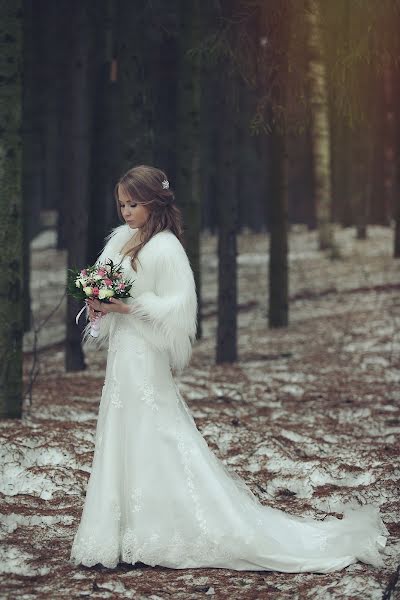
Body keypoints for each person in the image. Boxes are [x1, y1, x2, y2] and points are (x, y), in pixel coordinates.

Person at [69, 164, 388, 572]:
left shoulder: (166, 248)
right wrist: (97, 304)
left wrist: (128, 307)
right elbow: (105, 282)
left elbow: (180, 309)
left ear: (154, 203)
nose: (126, 212)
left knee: (156, 429)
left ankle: (160, 526)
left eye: (133, 204)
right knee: (122, 426)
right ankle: (121, 526)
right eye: (122, 204)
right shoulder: (121, 241)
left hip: (145, 355)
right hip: (123, 354)